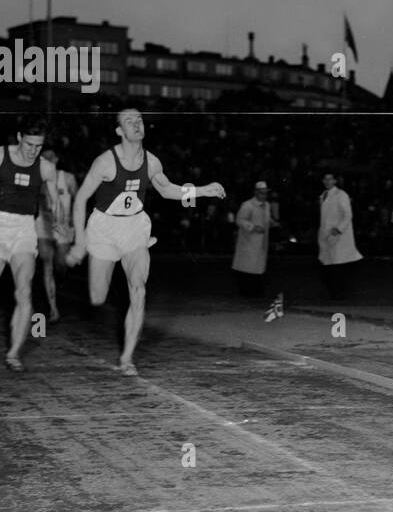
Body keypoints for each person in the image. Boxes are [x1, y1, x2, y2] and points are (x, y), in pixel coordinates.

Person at [65, 108, 225, 375]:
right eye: (129, 121)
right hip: (104, 227)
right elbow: (81, 199)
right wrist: (80, 242)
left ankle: (127, 358)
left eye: (139, 119)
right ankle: (100, 283)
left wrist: (202, 190)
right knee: (97, 296)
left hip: (134, 227)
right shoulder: (105, 162)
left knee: (138, 290)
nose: (136, 124)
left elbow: (167, 189)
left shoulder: (151, 162)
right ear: (119, 131)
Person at [0, 117, 59, 371]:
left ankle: (14, 353)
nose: (33, 151)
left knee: (24, 290)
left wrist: (58, 222)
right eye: (29, 144)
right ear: (19, 137)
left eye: (38, 146)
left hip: (24, 229)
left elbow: (55, 200)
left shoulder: (46, 168)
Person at [35, 146, 78, 322]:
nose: (48, 162)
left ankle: (61, 278)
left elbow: (78, 200)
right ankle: (53, 309)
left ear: (57, 160)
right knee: (47, 264)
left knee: (61, 264)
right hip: (43, 226)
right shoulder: (36, 180)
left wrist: (75, 224)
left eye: (51, 158)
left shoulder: (68, 178)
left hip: (63, 227)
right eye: (44, 159)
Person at [317, 172, 362, 300]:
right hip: (327, 235)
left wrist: (339, 229)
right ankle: (334, 293)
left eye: (330, 179)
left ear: (335, 181)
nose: (327, 181)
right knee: (328, 265)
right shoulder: (323, 196)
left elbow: (348, 215)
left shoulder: (341, 195)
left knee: (337, 266)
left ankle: (339, 294)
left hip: (337, 235)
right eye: (325, 179)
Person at [232, 180, 271, 298]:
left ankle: (255, 292)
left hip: (261, 242)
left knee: (257, 268)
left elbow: (266, 219)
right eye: (261, 193)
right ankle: (247, 293)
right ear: (256, 193)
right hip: (249, 241)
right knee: (247, 268)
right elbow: (239, 220)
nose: (264, 195)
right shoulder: (247, 205)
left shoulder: (267, 205)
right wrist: (252, 227)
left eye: (265, 193)